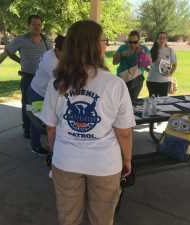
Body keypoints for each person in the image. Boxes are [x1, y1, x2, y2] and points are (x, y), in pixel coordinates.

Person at [40, 20, 135, 225]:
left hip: (66, 162)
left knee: (68, 219)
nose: (106, 45)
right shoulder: (114, 84)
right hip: (105, 164)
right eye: (104, 40)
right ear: (93, 45)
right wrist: (127, 161)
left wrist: (57, 153)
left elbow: (50, 127)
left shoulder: (56, 83)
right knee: (102, 220)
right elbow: (124, 133)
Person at [5, 14, 52, 141]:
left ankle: (40, 127)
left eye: (39, 24)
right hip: (28, 78)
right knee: (27, 105)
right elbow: (8, 51)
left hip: (44, 80)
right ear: (28, 26)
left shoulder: (46, 39)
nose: (37, 27)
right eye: (34, 24)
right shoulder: (20, 39)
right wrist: (20, 61)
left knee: (43, 104)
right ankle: (27, 128)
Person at [27, 35, 65, 155]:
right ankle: (35, 146)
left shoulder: (54, 53)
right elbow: (62, 83)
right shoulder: (51, 62)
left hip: (46, 92)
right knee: (38, 121)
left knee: (48, 121)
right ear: (58, 49)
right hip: (38, 92)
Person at [113, 30, 151, 101]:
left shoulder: (144, 49)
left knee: (132, 101)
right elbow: (114, 62)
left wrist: (143, 54)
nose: (132, 44)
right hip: (122, 78)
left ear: (139, 41)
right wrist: (121, 54)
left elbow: (149, 63)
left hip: (136, 79)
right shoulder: (122, 48)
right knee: (120, 101)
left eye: (135, 42)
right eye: (130, 42)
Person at [147, 32, 177, 97]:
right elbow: (143, 65)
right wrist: (150, 71)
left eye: (164, 38)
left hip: (165, 82)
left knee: (163, 102)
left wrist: (170, 73)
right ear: (157, 39)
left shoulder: (170, 50)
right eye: (160, 38)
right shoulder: (151, 51)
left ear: (166, 39)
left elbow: (174, 64)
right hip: (152, 81)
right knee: (153, 102)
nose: (162, 40)